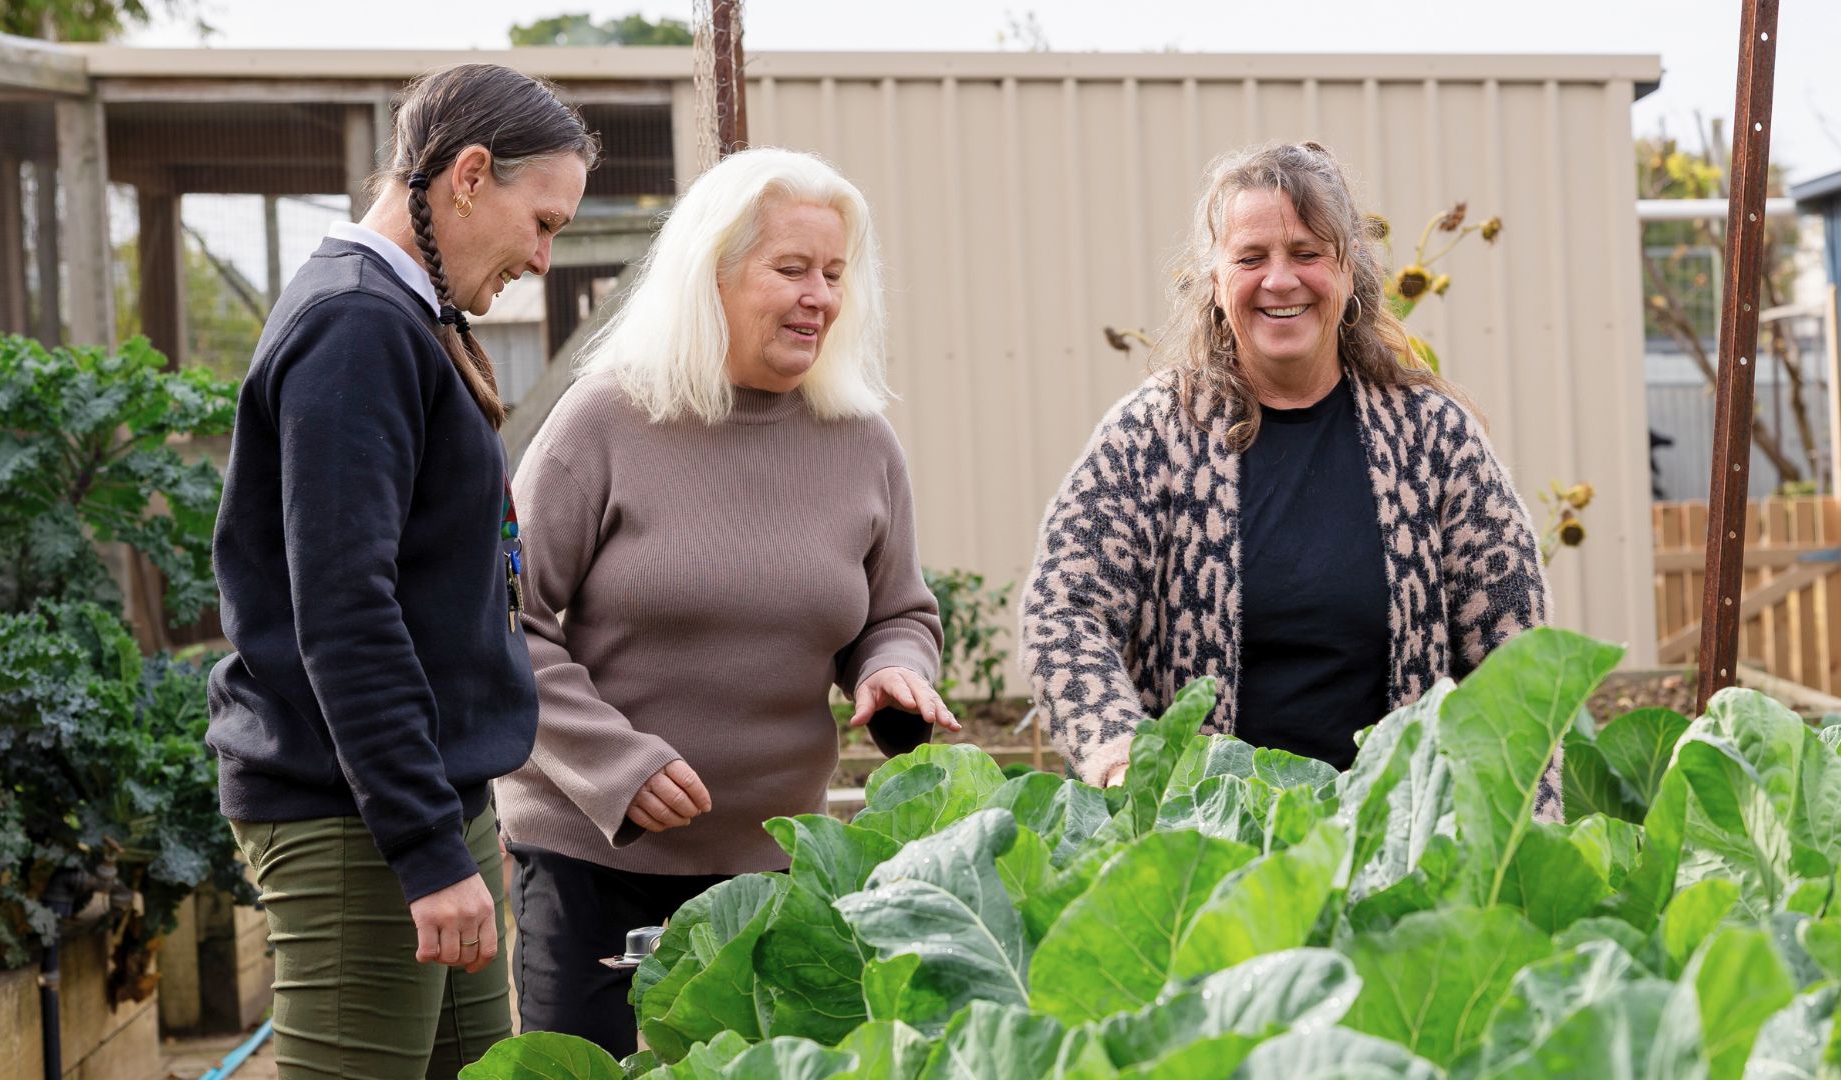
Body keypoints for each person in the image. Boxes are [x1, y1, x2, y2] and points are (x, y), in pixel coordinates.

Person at [495, 147, 955, 1057]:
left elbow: (896, 611)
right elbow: (504, 623)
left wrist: (896, 671)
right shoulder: (603, 421)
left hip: (775, 871)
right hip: (593, 862)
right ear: (710, 274)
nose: (819, 295)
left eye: (833, 273)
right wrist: (616, 769)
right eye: (790, 269)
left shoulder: (861, 439)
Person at [205, 63, 597, 1078]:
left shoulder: (404, 314)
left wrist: (453, 817)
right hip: (353, 822)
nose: (544, 258)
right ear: (470, 175)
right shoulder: (357, 326)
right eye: (543, 222)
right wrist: (427, 849)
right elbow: (344, 609)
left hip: (424, 800)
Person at [1020, 141, 1556, 814]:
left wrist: (1527, 822)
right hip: (1202, 853)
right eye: (1251, 258)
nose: (1280, 280)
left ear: (1347, 269)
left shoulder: (1434, 439)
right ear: (1215, 281)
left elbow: (1516, 655)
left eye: (1306, 253)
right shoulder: (1152, 436)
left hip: (1398, 851)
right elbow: (1063, 611)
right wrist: (1116, 750)